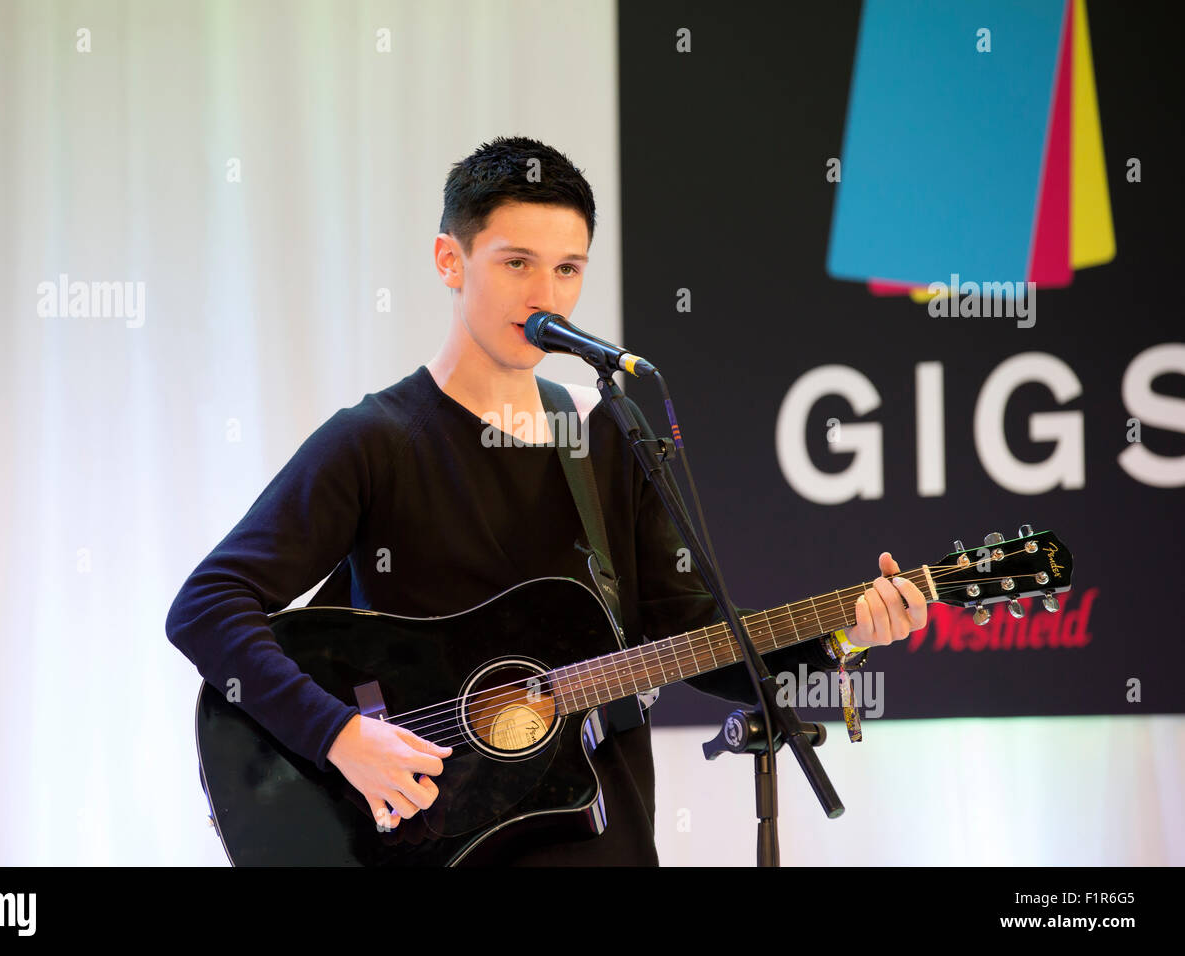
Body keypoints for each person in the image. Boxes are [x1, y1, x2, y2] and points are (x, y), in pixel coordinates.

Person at [165, 135, 928, 865]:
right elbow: (207, 606)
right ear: (449, 261)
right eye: (518, 263)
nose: (546, 294)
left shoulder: (605, 437)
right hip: (428, 843)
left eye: (568, 269)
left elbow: (698, 638)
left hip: (603, 837)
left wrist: (843, 638)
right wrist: (339, 734)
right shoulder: (376, 440)